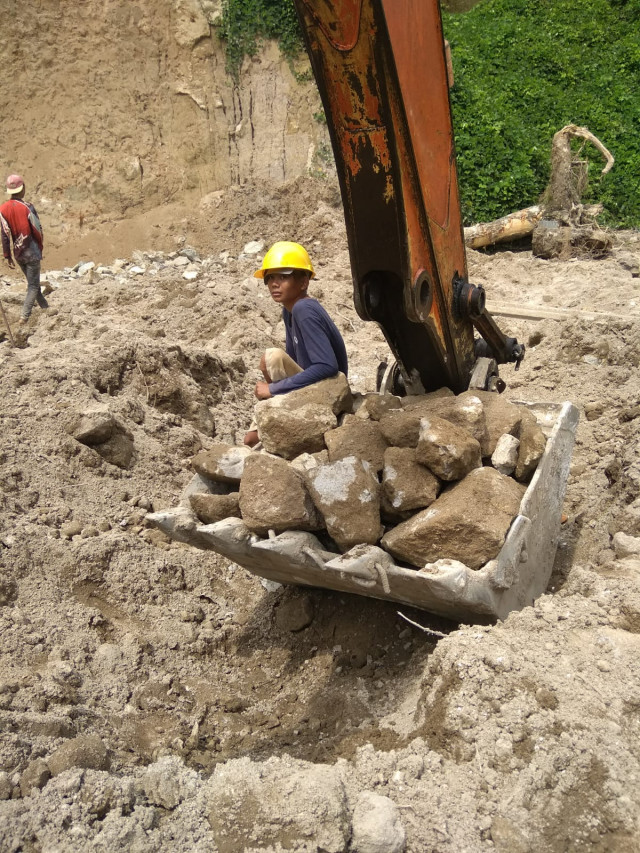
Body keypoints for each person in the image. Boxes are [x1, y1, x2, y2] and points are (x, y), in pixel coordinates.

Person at [244, 241, 348, 447]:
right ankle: (272, 419)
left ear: (303, 282)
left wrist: (274, 389)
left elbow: (328, 366)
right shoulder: (289, 310)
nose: (274, 284)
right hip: (316, 386)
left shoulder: (304, 309)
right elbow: (295, 361)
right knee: (269, 360)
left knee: (273, 357)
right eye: (270, 278)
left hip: (332, 391)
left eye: (283, 277)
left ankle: (274, 422)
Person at [1, 174, 48, 323]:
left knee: (32, 282)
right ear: (23, 190)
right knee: (33, 286)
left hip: (18, 253)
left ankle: (46, 308)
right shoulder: (27, 207)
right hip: (31, 251)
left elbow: (4, 234)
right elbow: (37, 229)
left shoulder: (2, 209)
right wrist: (40, 246)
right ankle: (24, 316)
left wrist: (7, 255)